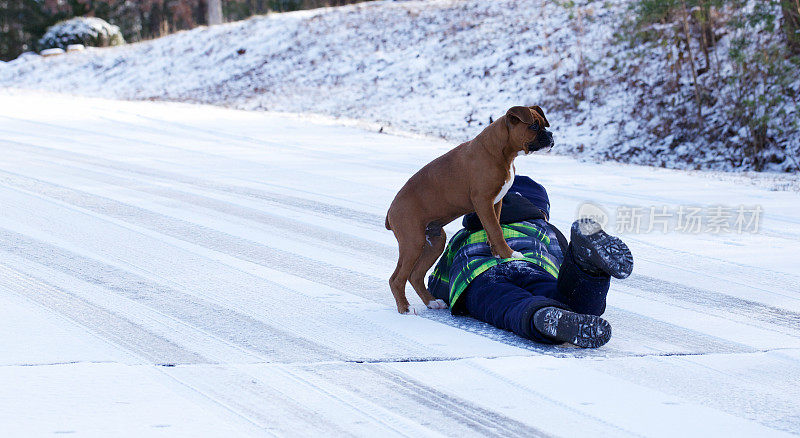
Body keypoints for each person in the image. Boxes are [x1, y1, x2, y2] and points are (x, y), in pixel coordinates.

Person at [427, 175, 633, 348]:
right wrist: (578, 271)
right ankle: (587, 265)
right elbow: (563, 264)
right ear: (541, 211)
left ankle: (541, 316)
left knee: (509, 302)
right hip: (534, 267)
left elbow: (440, 282)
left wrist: (443, 293)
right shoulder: (544, 229)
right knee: (568, 298)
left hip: (480, 276)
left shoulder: (467, 232)